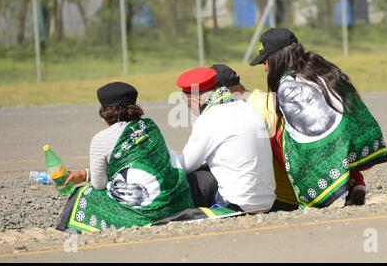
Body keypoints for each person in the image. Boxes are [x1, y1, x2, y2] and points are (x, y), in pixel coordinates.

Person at [250, 28, 387, 208]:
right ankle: (355, 181)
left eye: (265, 61)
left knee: (277, 135)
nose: (265, 67)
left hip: (335, 145)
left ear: (276, 58)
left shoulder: (287, 85)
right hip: (359, 138)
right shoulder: (318, 65)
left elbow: (307, 135)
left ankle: (312, 194)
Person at [56, 82, 194, 232]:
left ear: (104, 112)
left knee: (84, 194)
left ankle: (71, 231)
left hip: (146, 214)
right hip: (176, 204)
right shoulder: (149, 126)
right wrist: (85, 174)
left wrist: (86, 177)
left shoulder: (101, 139)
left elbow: (99, 185)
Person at [174, 67, 276, 213]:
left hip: (238, 203)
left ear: (195, 98)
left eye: (188, 103)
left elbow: (184, 166)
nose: (190, 108)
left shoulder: (210, 118)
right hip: (267, 201)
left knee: (193, 179)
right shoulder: (247, 108)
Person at [210, 63, 298, 211]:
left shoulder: (248, 113)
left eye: (211, 94)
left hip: (279, 198)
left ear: (230, 90)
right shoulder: (266, 99)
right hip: (294, 192)